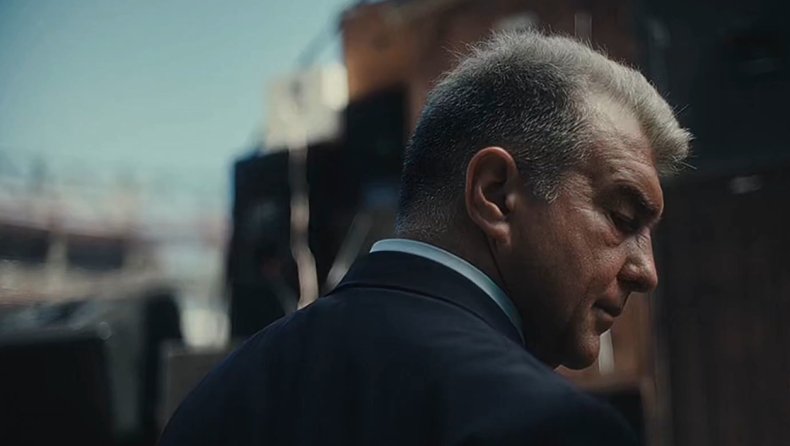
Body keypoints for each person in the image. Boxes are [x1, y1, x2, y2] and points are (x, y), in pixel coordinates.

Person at [159, 30, 691, 446]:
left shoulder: (211, 403)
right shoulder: (550, 426)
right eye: (623, 217)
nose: (646, 271)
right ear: (495, 193)